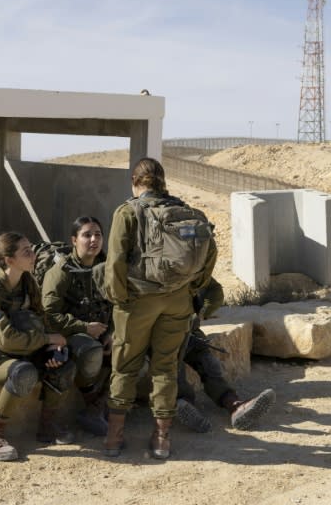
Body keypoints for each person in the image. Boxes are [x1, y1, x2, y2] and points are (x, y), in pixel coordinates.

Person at [103, 157, 217, 459]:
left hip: (138, 301)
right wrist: (191, 288)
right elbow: (210, 255)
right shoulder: (188, 212)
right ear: (163, 180)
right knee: (165, 367)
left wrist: (119, 299)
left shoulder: (127, 211)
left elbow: (114, 259)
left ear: (134, 180)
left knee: (125, 366)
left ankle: (114, 438)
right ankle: (162, 439)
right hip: (177, 301)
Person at [0, 231, 76, 462]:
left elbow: (40, 321)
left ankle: (47, 426)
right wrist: (45, 340)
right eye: (27, 252)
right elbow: (5, 339)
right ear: (9, 260)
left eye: (31, 249)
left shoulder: (27, 283)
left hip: (18, 351)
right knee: (23, 373)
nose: (34, 255)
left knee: (63, 365)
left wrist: (51, 348)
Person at [41, 216, 113, 436]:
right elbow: (50, 314)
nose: (93, 240)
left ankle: (98, 408)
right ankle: (92, 401)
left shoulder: (108, 267)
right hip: (72, 333)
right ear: (74, 240)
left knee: (133, 352)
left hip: (102, 331)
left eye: (98, 234)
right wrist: (83, 327)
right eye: (86, 235)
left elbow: (122, 303)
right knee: (91, 352)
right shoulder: (61, 272)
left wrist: (113, 332)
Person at [175, 277, 277, 433]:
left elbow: (214, 290)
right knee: (173, 367)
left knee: (209, 364)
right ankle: (184, 405)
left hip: (187, 332)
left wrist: (201, 313)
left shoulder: (188, 264)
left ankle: (236, 406)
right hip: (156, 336)